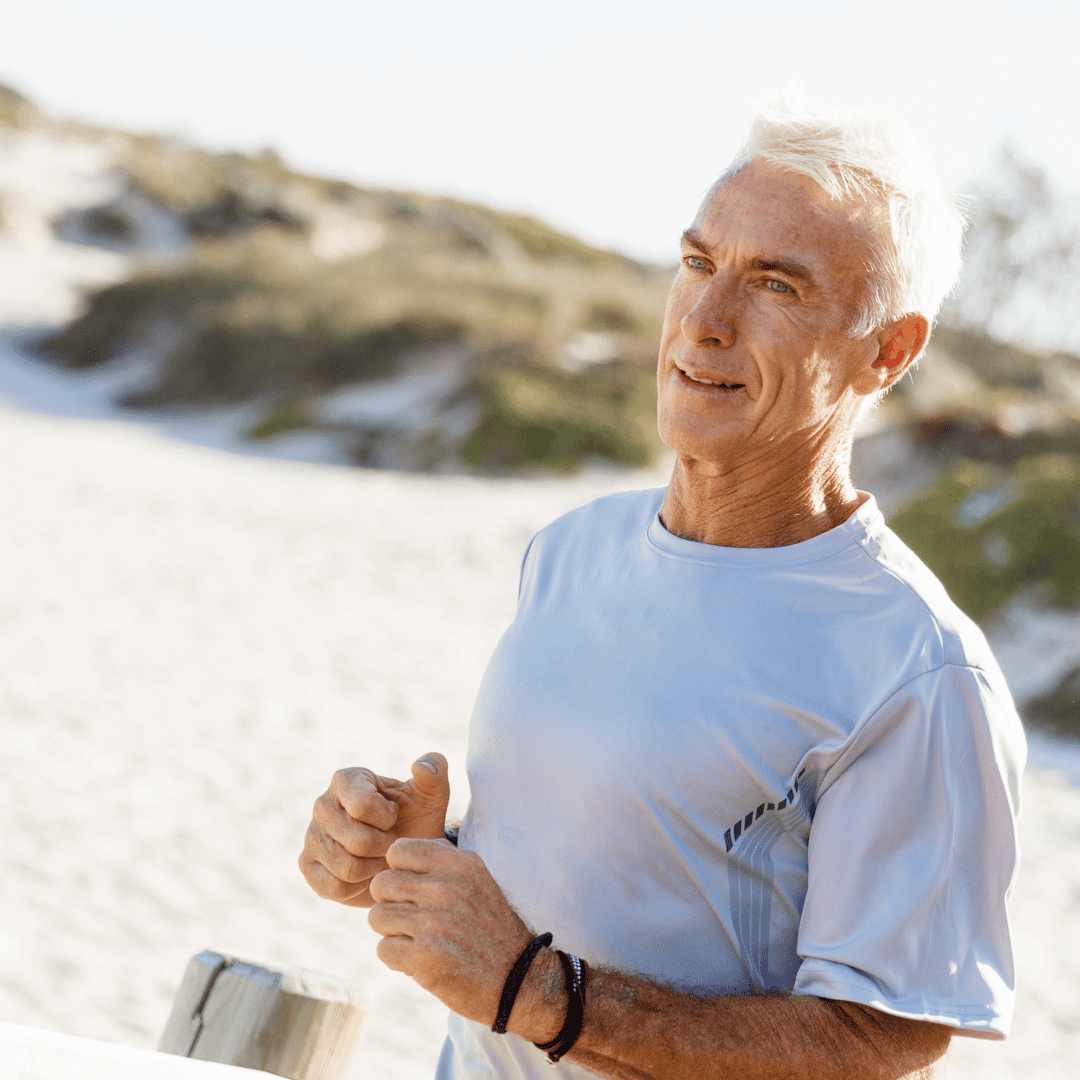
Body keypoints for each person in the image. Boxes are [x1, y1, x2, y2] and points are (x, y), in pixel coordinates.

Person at [299, 96, 1025, 1080]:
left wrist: (539, 991)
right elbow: (615, 860)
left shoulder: (914, 668)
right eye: (698, 263)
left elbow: (878, 1039)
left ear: (888, 351)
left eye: (775, 284)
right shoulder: (570, 550)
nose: (707, 320)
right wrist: (414, 860)